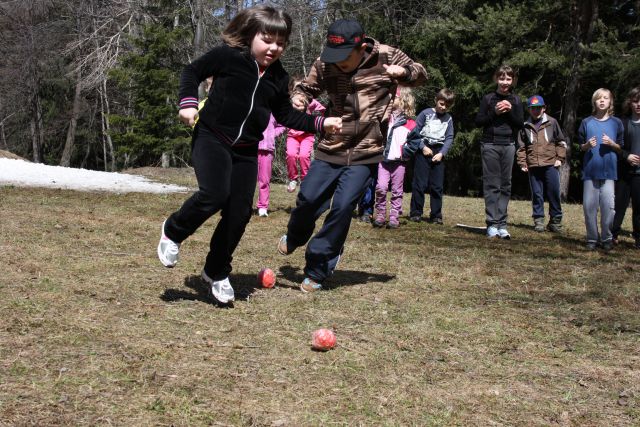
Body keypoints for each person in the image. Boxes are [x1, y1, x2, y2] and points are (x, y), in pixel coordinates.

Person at [156, 5, 341, 305]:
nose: (273, 48)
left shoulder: (279, 77)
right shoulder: (228, 56)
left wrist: (320, 123)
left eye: (280, 43)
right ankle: (173, 230)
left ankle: (216, 271)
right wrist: (188, 102)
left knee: (240, 213)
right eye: (267, 40)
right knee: (214, 194)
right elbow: (192, 71)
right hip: (212, 137)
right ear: (250, 34)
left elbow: (286, 116)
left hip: (246, 151)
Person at [277, 18, 427, 292]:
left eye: (345, 56)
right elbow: (307, 87)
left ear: (361, 46)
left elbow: (421, 73)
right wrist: (299, 97)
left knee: (343, 206)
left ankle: (318, 268)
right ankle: (296, 234)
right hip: (332, 144)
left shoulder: (386, 54)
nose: (339, 62)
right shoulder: (326, 61)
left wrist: (403, 72)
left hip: (366, 149)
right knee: (308, 198)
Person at [474, 65, 524, 239]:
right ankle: (492, 224)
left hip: (509, 145)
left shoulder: (516, 100)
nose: (505, 82)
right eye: (502, 78)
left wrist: (510, 112)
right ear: (496, 79)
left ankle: (502, 224)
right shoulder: (488, 99)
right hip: (490, 145)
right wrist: (494, 112)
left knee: (505, 185)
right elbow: (479, 122)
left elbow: (520, 124)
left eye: (508, 79)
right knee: (492, 185)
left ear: (513, 81)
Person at [577, 88, 624, 251]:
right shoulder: (586, 122)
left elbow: (620, 148)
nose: (602, 101)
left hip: (609, 172)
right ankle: (591, 238)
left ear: (610, 102)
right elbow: (581, 147)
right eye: (599, 98)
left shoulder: (616, 123)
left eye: (606, 98)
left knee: (609, 208)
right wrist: (587, 145)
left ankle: (607, 238)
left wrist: (612, 143)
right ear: (594, 102)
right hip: (590, 172)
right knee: (589, 207)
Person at [516, 95, 567, 232]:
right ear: (529, 110)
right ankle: (538, 220)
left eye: (538, 108)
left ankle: (555, 222)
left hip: (551, 164)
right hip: (533, 165)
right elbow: (521, 147)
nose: (536, 111)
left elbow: (561, 142)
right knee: (537, 194)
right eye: (533, 108)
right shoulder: (525, 125)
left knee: (553, 193)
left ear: (544, 108)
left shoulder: (552, 122)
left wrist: (559, 158)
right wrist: (522, 162)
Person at [406, 88, 456, 224]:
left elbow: (449, 137)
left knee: (437, 186)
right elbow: (414, 133)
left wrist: (442, 153)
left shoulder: (449, 119)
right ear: (436, 100)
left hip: (438, 152)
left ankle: (436, 215)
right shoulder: (425, 113)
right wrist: (422, 147)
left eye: (447, 105)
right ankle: (416, 212)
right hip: (424, 150)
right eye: (441, 103)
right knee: (419, 184)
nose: (443, 107)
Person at [372, 86, 416, 229]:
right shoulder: (385, 118)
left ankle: (394, 216)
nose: (390, 99)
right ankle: (380, 214)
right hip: (384, 160)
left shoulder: (411, 123)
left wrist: (406, 153)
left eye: (394, 97)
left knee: (397, 190)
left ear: (403, 100)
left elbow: (415, 142)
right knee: (381, 187)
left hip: (399, 163)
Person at [285, 76, 325, 193]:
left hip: (307, 135)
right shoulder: (289, 102)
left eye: (301, 89)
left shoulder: (311, 102)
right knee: (291, 154)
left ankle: (304, 179)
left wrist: (322, 124)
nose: (300, 92)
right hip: (293, 135)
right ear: (292, 90)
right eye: (297, 89)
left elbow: (324, 110)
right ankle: (293, 178)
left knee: (303, 156)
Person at [612, 87, 640, 247]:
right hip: (624, 172)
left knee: (639, 208)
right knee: (619, 206)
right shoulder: (622, 123)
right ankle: (613, 234)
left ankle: (638, 238)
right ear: (630, 103)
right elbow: (615, 147)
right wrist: (626, 156)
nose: (638, 105)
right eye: (635, 101)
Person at [256, 114, 286, 217]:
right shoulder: (253, 106)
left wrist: (272, 133)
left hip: (267, 149)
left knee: (265, 180)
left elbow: (282, 125)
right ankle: (242, 205)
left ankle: (263, 207)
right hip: (250, 147)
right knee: (246, 179)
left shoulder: (274, 111)